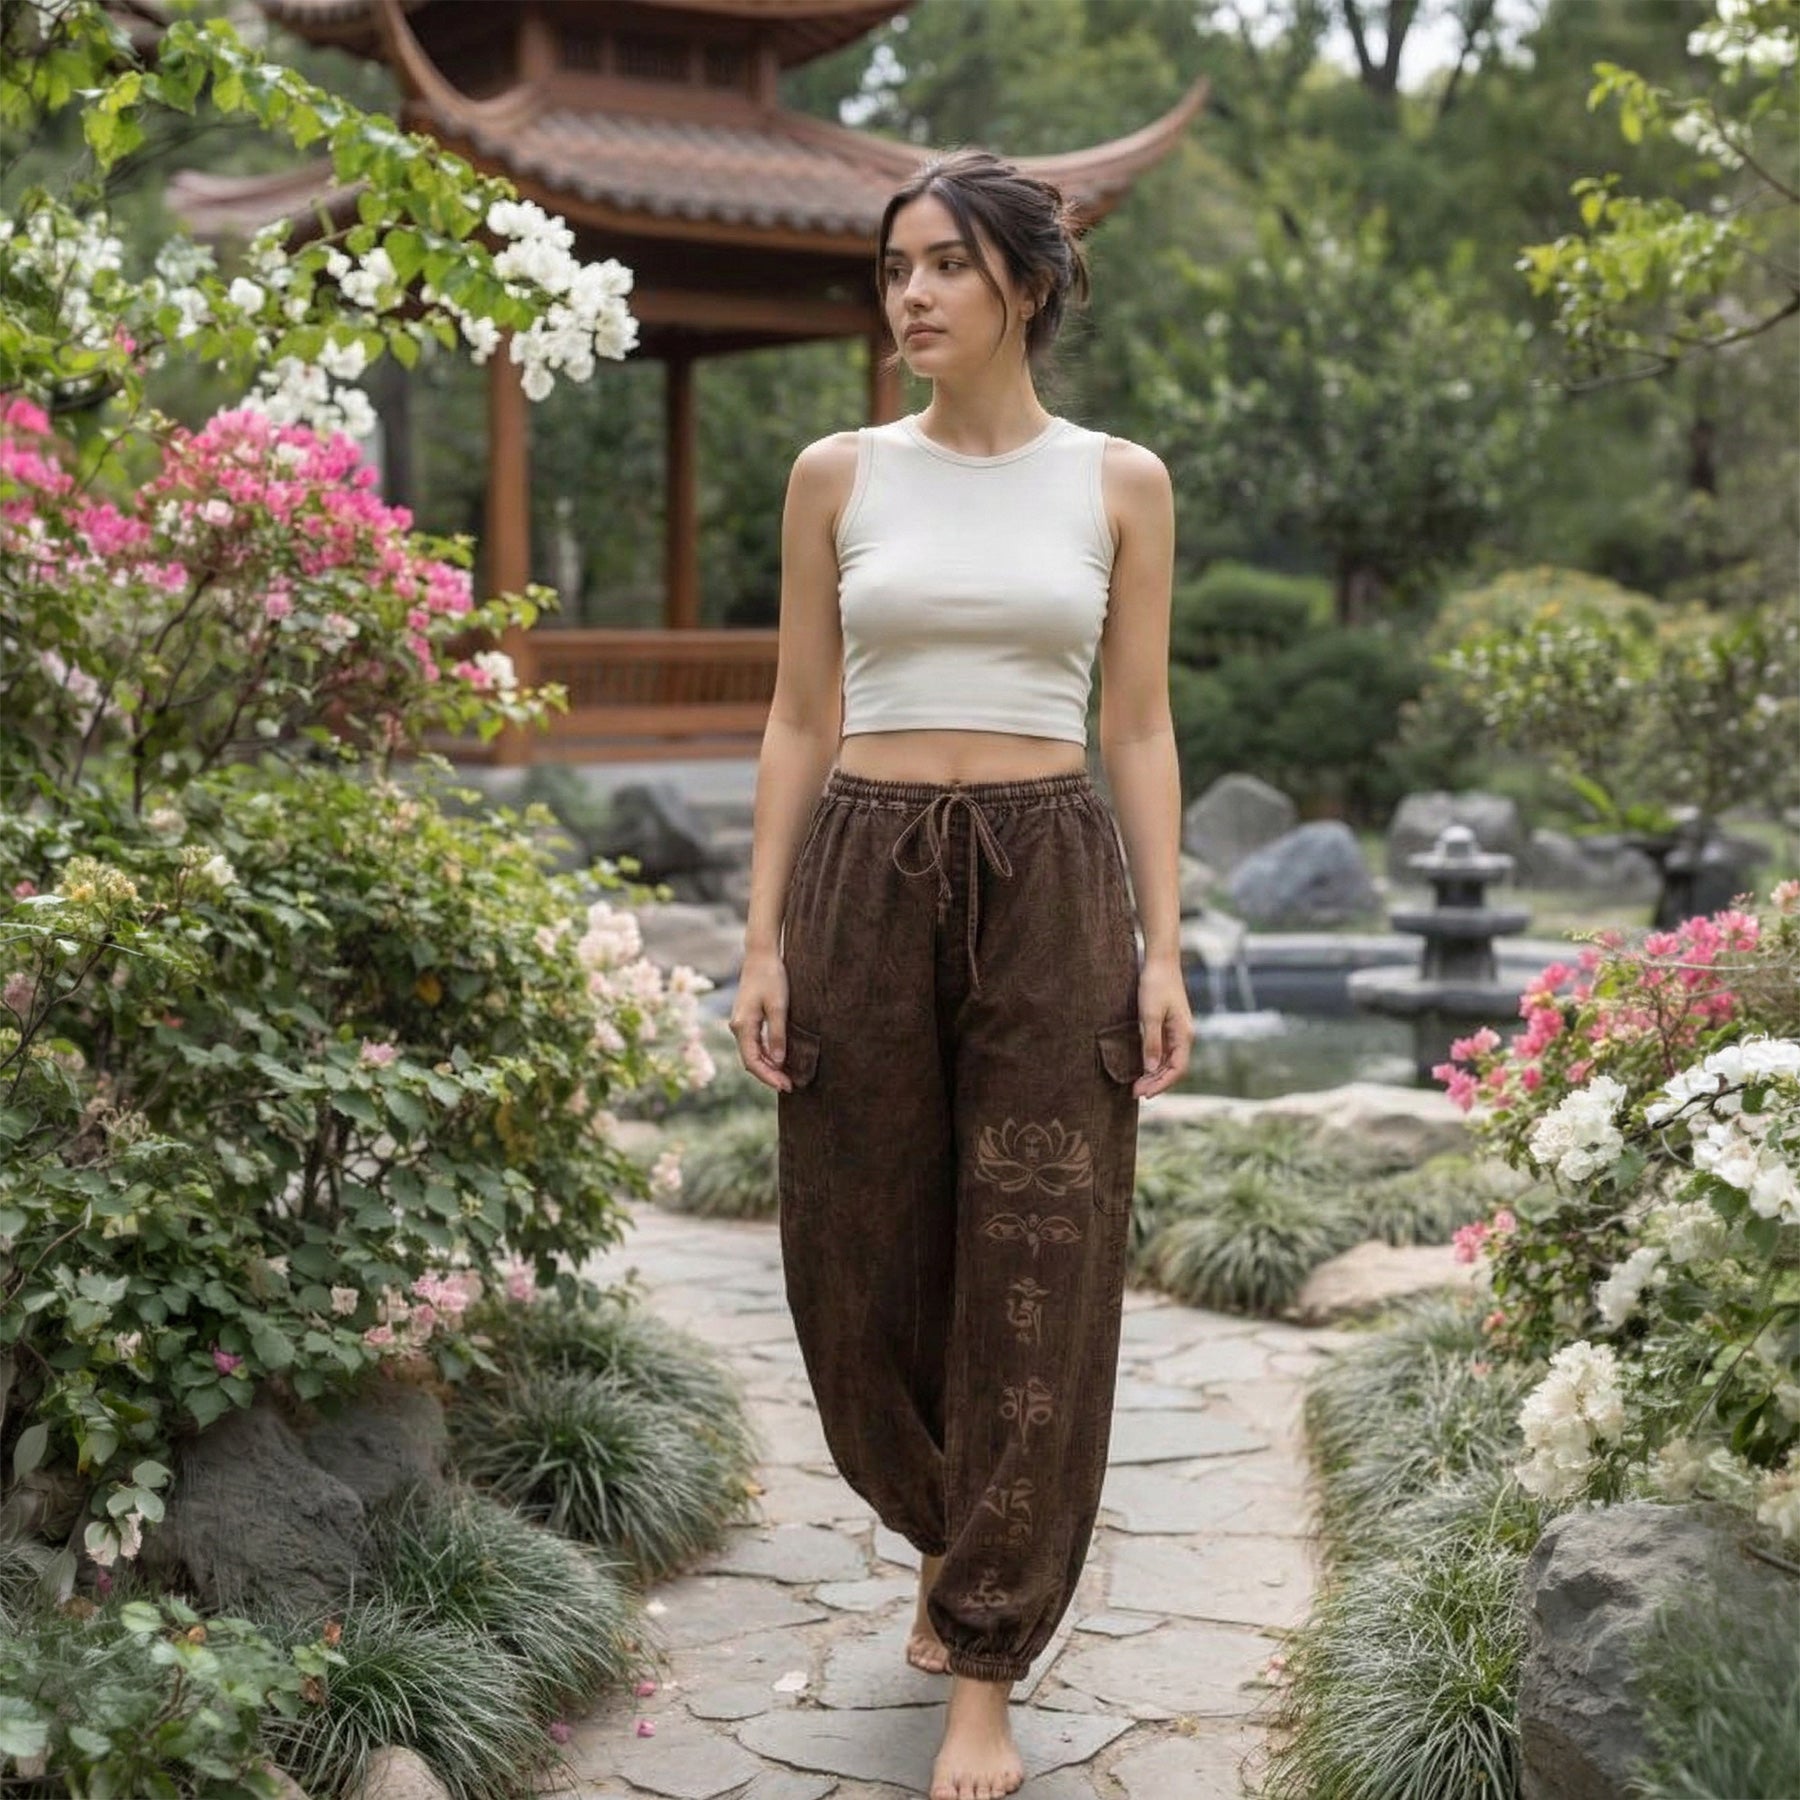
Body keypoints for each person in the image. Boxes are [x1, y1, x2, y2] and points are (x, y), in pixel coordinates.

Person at [731, 147, 1193, 1800]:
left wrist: (1165, 944)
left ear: (1028, 283)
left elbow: (1136, 724)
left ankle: (982, 1656)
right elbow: (797, 713)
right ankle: (956, 1520)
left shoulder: (1119, 482)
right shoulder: (836, 474)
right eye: (893, 269)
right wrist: (763, 932)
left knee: (1039, 1255)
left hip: (1053, 873)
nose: (909, 296)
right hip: (863, 867)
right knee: (848, 1254)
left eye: (941, 266)